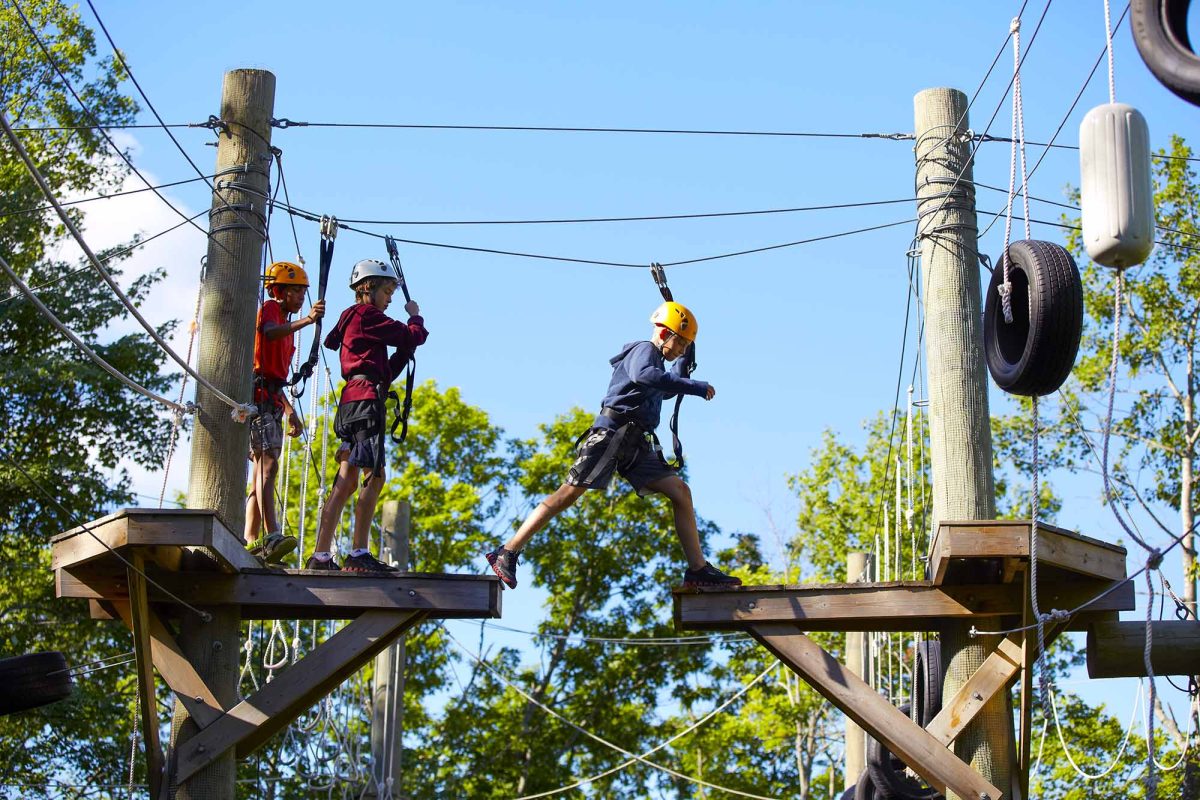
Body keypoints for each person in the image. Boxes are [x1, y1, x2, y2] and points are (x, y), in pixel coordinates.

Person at [485, 301, 742, 590]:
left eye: (686, 344)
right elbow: (647, 377)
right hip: (612, 434)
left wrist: (684, 366)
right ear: (662, 332)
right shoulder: (644, 351)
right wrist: (693, 386)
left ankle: (698, 570)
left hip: (635, 444)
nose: (681, 348)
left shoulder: (657, 363)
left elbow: (663, 388)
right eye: (679, 341)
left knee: (680, 492)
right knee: (567, 495)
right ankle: (506, 551)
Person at [306, 258, 428, 571]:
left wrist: (403, 352)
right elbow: (414, 334)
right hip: (366, 404)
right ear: (368, 288)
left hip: (352, 403)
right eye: (386, 291)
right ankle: (358, 553)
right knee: (375, 476)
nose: (389, 299)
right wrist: (415, 318)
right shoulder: (366, 314)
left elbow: (383, 367)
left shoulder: (351, 318)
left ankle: (321, 555)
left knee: (346, 481)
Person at [246, 261, 324, 561]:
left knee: (260, 473)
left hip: (273, 398)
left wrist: (290, 410)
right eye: (296, 291)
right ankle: (272, 533)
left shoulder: (288, 329)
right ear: (280, 291)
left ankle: (251, 538)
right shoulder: (270, 310)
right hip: (258, 396)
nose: (301, 297)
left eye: (302, 292)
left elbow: (279, 377)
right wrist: (307, 321)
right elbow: (268, 333)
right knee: (267, 467)